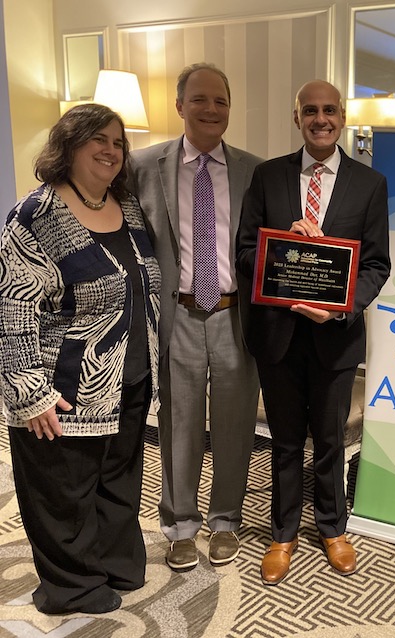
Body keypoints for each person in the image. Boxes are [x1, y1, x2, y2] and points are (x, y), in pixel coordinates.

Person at [0, 104, 160, 614]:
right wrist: (28, 394)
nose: (111, 150)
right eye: (99, 139)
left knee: (117, 484)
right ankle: (72, 587)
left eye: (118, 142)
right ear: (68, 146)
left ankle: (113, 563)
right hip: (62, 390)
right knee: (63, 495)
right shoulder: (35, 217)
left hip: (129, 379)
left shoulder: (127, 207)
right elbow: (14, 309)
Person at [236, 80, 390, 584]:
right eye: (310, 110)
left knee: (328, 440)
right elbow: (244, 252)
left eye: (329, 110)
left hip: (335, 336)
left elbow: (375, 265)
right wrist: (282, 246)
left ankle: (332, 528)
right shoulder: (267, 176)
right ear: (296, 116)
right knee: (283, 440)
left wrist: (342, 311)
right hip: (278, 335)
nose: (320, 118)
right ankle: (283, 534)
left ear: (342, 117)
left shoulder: (370, 184)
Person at [128, 63, 263, 571]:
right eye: (200, 100)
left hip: (235, 316)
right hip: (176, 315)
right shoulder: (141, 165)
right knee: (178, 424)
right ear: (180, 105)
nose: (211, 110)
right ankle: (180, 524)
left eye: (221, 101)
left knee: (234, 425)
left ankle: (225, 519)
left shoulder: (255, 169)